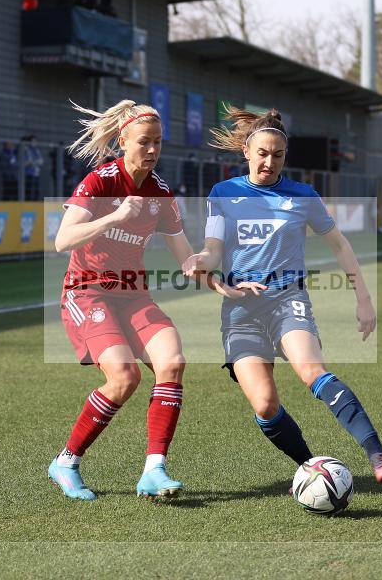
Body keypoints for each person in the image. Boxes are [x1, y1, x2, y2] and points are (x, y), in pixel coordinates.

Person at [182, 105, 382, 485]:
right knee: (265, 405)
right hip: (240, 309)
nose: (269, 162)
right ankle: (314, 468)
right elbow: (214, 250)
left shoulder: (302, 195)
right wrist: (202, 257)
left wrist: (363, 298)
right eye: (262, 153)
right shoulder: (223, 193)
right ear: (246, 152)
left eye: (278, 155)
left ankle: (376, 453)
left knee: (312, 370)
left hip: (287, 299)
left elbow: (340, 245)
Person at [48, 99, 237, 500]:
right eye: (144, 142)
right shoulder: (100, 182)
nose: (152, 151)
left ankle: (154, 470)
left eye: (158, 143)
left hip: (132, 294)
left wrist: (208, 272)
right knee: (124, 378)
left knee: (172, 362)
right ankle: (66, 462)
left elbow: (185, 255)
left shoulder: (160, 193)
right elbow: (62, 241)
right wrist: (113, 217)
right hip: (87, 292)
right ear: (123, 141)